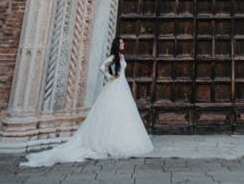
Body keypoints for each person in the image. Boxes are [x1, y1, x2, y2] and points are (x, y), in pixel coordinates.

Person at [22, 37, 153, 166]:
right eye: (121, 43)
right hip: (115, 86)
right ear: (116, 45)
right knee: (113, 112)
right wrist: (110, 77)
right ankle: (109, 142)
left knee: (122, 113)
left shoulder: (121, 57)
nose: (123, 44)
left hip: (122, 86)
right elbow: (102, 67)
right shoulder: (113, 57)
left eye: (123, 42)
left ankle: (121, 139)